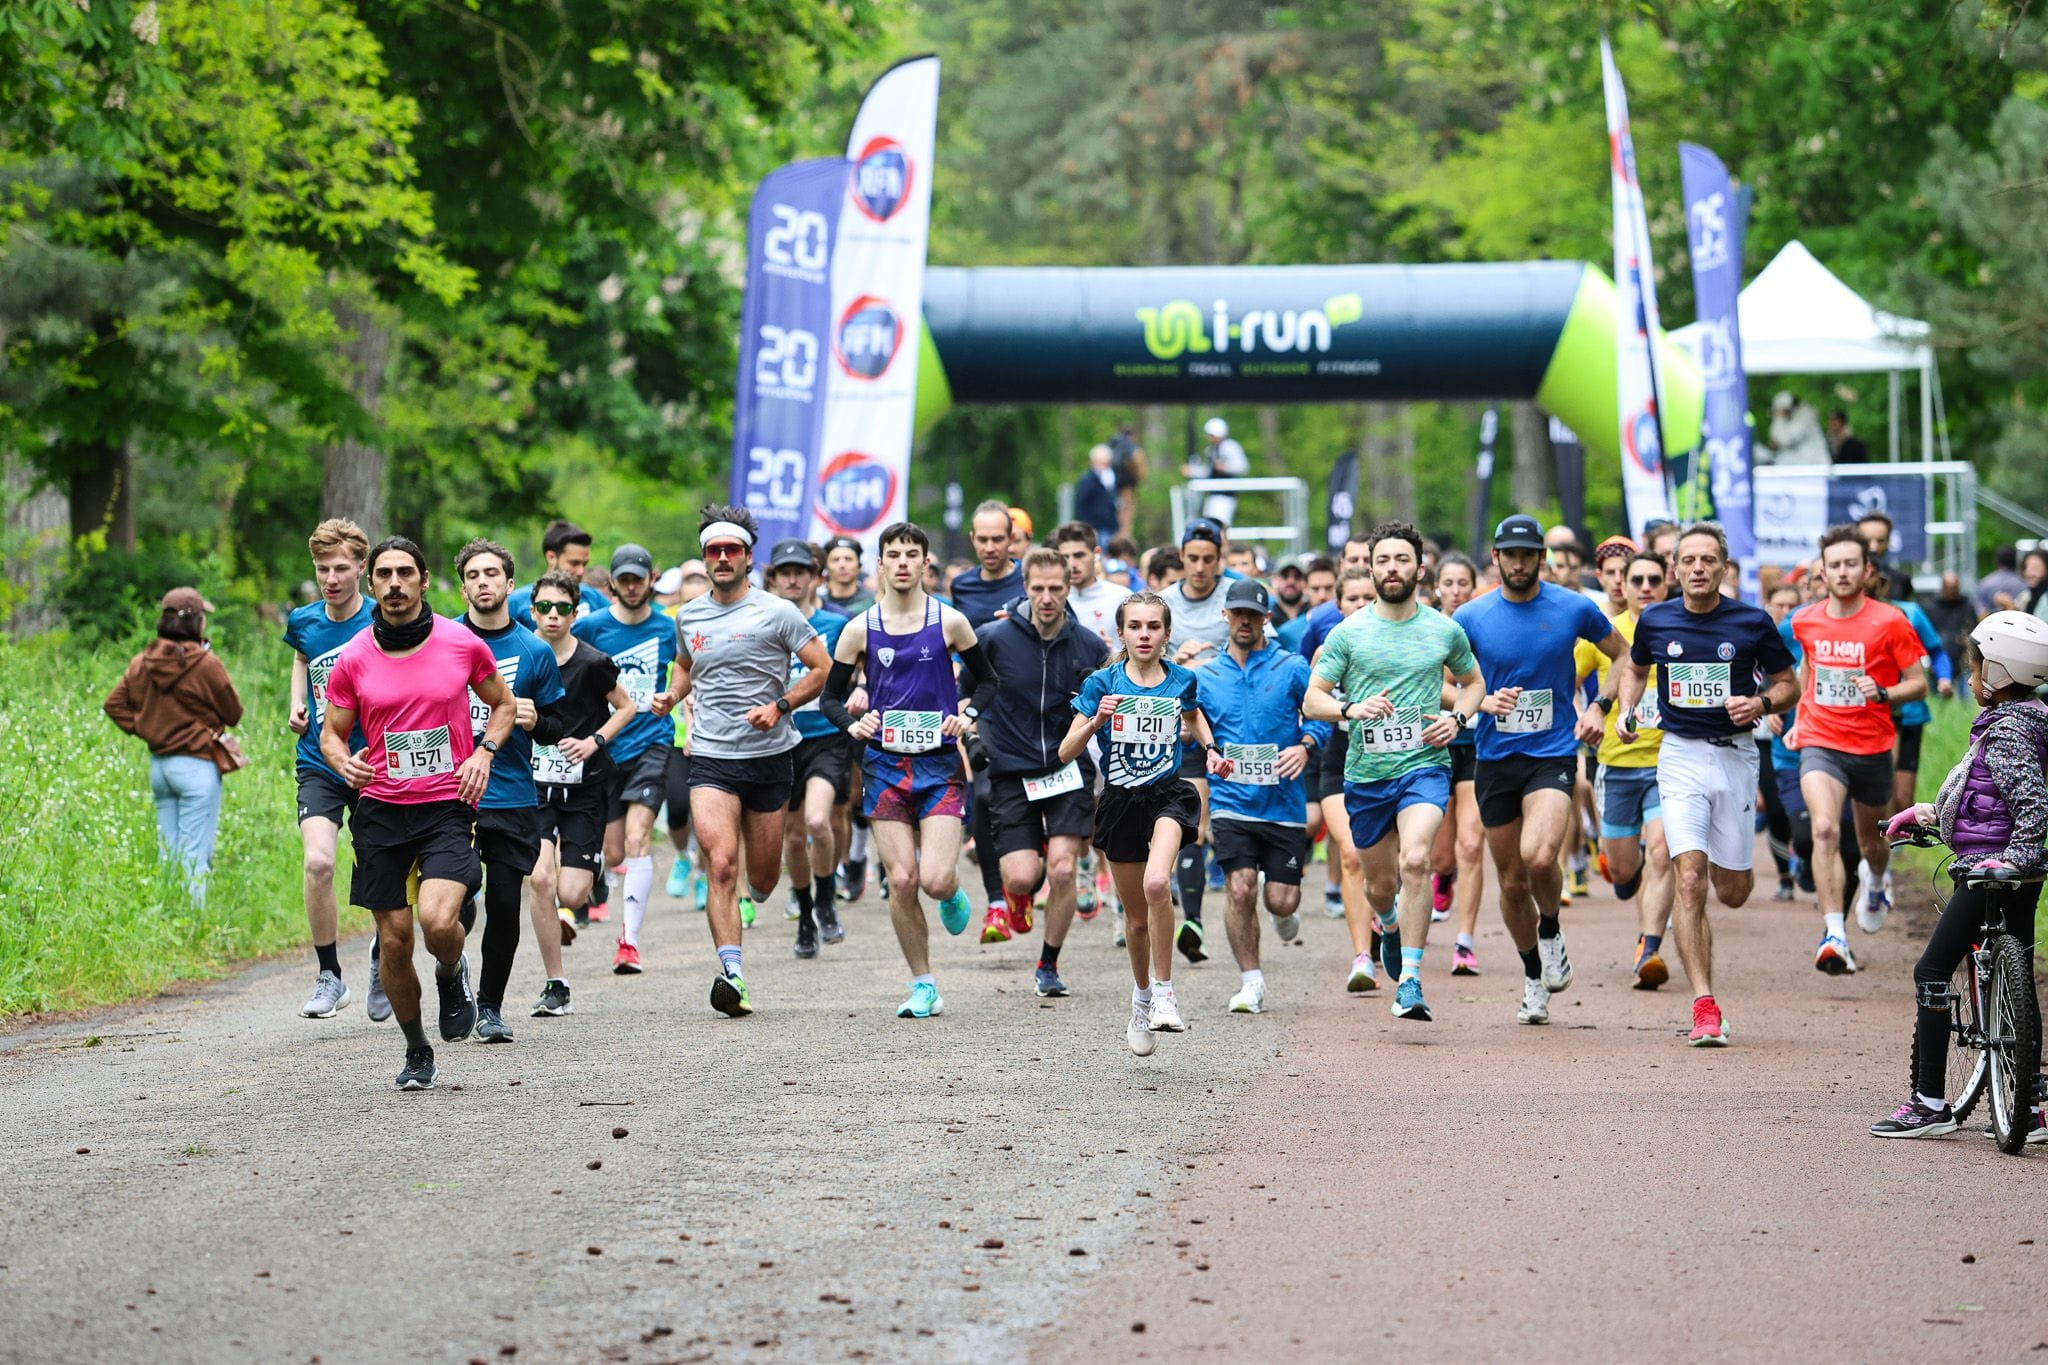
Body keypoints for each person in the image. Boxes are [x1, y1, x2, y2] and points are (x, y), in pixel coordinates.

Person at [321, 536, 515, 1091]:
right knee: (396, 940)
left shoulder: (461, 644)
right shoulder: (355, 656)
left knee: (436, 922)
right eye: (384, 574)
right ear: (372, 582)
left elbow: (502, 704)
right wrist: (343, 764)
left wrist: (484, 750)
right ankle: (416, 1050)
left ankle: (452, 974)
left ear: (425, 581)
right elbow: (331, 735)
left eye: (406, 573)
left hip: (446, 806)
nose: (395, 584)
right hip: (381, 810)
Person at [1610, 527, 1797, 1046]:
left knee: (1731, 892)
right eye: (1688, 560)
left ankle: (1729, 864)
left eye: (1707, 560)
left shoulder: (1751, 622)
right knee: (1688, 878)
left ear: (1722, 568)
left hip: (1735, 757)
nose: (1697, 568)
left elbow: (1789, 684)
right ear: (1675, 569)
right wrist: (1627, 709)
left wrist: (1760, 704)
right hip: (1680, 757)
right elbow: (1635, 669)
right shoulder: (1656, 619)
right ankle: (1705, 1006)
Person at [1870, 611, 2048, 1140]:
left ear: (1995, 673)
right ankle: (2032, 1107)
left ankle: (1928, 1102)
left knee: (1931, 970)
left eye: (1974, 670)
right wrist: (1928, 813)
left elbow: (2031, 804)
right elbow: (1987, 796)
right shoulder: (2032, 720)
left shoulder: (2007, 732)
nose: (1970, 680)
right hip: (2020, 872)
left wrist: (2013, 854)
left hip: (1991, 873)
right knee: (2019, 982)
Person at [1306, 524, 1482, 1022]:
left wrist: (1456, 718)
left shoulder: (1444, 630)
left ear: (1419, 569)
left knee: (1418, 859)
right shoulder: (1348, 633)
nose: (1391, 569)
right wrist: (1350, 710)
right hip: (1366, 775)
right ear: (1370, 567)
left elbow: (1473, 684)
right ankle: (1387, 923)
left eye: (1401, 560)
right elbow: (1312, 699)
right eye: (1383, 560)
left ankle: (1409, 979)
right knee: (1379, 885)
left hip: (1424, 766)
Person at [819, 522, 995, 1018]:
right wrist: (853, 725)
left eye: (910, 554)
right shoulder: (859, 630)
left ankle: (953, 892)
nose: (901, 562)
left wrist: (969, 713)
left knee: (935, 880)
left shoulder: (950, 622)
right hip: (883, 765)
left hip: (939, 765)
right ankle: (923, 984)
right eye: (892, 554)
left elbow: (988, 682)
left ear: (924, 564)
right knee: (901, 880)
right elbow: (830, 697)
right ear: (879, 564)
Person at [1455, 514, 1624, 1026]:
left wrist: (1599, 706)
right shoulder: (1469, 617)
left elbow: (1623, 656)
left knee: (1540, 855)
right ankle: (1533, 976)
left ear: (1541, 559)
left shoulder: (1574, 608)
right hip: (1494, 760)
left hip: (1551, 753)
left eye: (1530, 554)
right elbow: (1445, 683)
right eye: (1513, 554)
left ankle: (1550, 927)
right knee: (1509, 882)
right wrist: (1480, 703)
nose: (1521, 562)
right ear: (1497, 558)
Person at [663, 509, 831, 1015]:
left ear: (747, 558)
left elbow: (821, 668)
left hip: (770, 756)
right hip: (713, 754)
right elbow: (685, 665)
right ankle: (733, 974)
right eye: (712, 551)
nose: (720, 558)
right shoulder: (689, 615)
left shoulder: (778, 612)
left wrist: (781, 706)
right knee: (719, 864)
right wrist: (671, 696)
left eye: (729, 550)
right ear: (704, 558)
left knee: (761, 880)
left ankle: (760, 896)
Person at [1060, 593, 1229, 1053]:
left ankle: (1166, 995)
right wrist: (1095, 720)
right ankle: (1141, 999)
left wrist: (1212, 751)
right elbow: (1065, 751)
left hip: (1169, 795)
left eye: (1153, 626)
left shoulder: (1182, 679)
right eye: (1135, 626)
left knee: (1158, 884)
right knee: (1135, 921)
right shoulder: (1102, 682)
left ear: (1167, 634)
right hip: (1120, 801)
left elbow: (1193, 715)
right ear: (1122, 633)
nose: (1144, 634)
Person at [1789, 525, 1929, 972]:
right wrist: (1795, 720)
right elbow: (1808, 672)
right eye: (1835, 565)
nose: (1843, 572)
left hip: (1871, 745)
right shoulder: (1806, 619)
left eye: (1852, 564)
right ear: (1823, 572)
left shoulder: (1889, 620)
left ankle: (1876, 878)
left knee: (1872, 843)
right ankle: (1834, 933)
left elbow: (1919, 684)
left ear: (1867, 570)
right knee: (1825, 829)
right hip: (1820, 740)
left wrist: (1883, 693)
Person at [969, 546, 1109, 992]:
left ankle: (1048, 965)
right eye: (1038, 588)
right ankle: (1018, 894)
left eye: (1056, 588)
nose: (1047, 597)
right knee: (1022, 875)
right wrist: (974, 734)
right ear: (1025, 588)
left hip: (1069, 768)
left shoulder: (1088, 644)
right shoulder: (993, 637)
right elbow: (966, 693)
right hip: (1012, 768)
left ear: (1069, 588)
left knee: (1064, 869)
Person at [452, 539, 568, 1043]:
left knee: (504, 903)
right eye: (474, 574)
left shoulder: (534, 650)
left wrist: (537, 717)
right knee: (453, 905)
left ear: (509, 584)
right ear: (463, 586)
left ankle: (491, 1008)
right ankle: (451, 976)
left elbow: (556, 724)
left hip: (512, 795)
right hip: (449, 794)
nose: (483, 582)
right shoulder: (442, 641)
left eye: (492, 574)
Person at [1200, 578, 1331, 1014]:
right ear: (1225, 616)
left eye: (1253, 615)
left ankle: (1283, 913)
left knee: (1280, 899)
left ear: (1266, 620)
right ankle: (1251, 982)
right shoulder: (1205, 675)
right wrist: (1206, 750)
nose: (1244, 622)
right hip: (1231, 802)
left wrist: (1305, 745)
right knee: (1239, 890)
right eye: (1237, 614)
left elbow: (1321, 715)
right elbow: (1190, 726)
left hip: (1283, 804)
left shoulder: (1291, 667)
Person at [523, 570, 634, 1019]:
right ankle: (556, 983)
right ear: (532, 610)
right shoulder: (522, 655)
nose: (553, 616)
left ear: (575, 612)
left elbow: (626, 707)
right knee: (541, 879)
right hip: (533, 785)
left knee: (571, 894)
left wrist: (595, 742)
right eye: (545, 607)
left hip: (585, 785)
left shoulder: (592, 662)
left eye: (562, 608)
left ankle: (595, 868)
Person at [283, 519, 374, 1019]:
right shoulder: (305, 619)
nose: (331, 578)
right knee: (319, 863)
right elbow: (302, 658)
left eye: (341, 568)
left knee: (380, 868)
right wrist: (297, 704)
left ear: (362, 567)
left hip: (376, 762)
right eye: (322, 569)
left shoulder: (383, 619)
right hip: (320, 758)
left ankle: (387, 955)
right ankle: (330, 975)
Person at [571, 544, 678, 972]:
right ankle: (600, 889)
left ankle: (629, 942)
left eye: (640, 578)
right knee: (613, 853)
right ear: (613, 582)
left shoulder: (670, 628)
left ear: (652, 580)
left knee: (638, 838)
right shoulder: (592, 627)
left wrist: (674, 695)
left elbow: (688, 669)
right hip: (605, 745)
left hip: (652, 741)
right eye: (625, 579)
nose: (633, 586)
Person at [103, 587, 244, 908]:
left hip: (160, 767)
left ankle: (168, 918)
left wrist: (146, 728)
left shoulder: (143, 661)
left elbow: (114, 704)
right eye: (202, 616)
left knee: (169, 850)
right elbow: (233, 714)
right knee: (196, 853)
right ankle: (193, 927)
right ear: (195, 622)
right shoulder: (206, 664)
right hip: (196, 766)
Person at [1574, 550, 1676, 989]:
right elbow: (1565, 679)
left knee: (1661, 852)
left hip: (1669, 764)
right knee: (1622, 873)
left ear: (1667, 583)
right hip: (1614, 766)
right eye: (1638, 580)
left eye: (1655, 579)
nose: (1646, 587)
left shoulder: (1683, 631)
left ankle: (1649, 947)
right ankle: (1618, 867)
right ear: (1624, 587)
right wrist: (1585, 716)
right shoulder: (1606, 635)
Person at [763, 539, 851, 958]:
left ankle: (827, 899)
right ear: (774, 579)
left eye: (801, 571)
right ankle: (804, 916)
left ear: (816, 577)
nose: (793, 578)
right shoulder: (761, 624)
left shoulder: (837, 624)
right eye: (785, 572)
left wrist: (864, 690)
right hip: (779, 742)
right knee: (794, 838)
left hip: (826, 738)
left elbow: (864, 669)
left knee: (819, 821)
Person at [1161, 516, 1242, 961]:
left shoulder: (1236, 595)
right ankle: (1191, 920)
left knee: (1223, 821)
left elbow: (1255, 644)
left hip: (1232, 719)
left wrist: (1217, 656)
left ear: (1219, 559)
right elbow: (1151, 655)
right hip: (1185, 723)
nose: (1199, 567)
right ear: (1181, 556)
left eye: (1208, 560)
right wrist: (1182, 660)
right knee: (1195, 819)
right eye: (1192, 558)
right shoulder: (1167, 601)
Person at [1427, 553, 1487, 976]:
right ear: (1437, 588)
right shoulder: (1425, 630)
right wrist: (1464, 696)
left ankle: (1465, 941)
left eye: (1462, 583)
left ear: (1473, 586)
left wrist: (1485, 698)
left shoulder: (1484, 627)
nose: (1455, 591)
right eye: (1448, 583)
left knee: (1471, 843)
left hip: (1476, 744)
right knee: (1442, 855)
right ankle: (1442, 879)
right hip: (1432, 744)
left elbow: (1488, 680)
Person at [508, 520, 609, 627]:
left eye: (584, 564)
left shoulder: (592, 596)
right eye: (574, 563)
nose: (581, 571)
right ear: (551, 557)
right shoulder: (517, 602)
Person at [1183, 417, 1250, 525]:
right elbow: (1208, 471)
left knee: (1219, 524)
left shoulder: (1230, 447)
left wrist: (1225, 467)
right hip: (1213, 493)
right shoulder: (1211, 450)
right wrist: (1193, 471)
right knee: (1209, 524)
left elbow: (1242, 467)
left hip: (1225, 494)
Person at [1856, 510, 1917, 607]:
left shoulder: (1901, 582)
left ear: (1888, 542)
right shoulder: (1844, 578)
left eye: (1880, 541)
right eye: (1867, 540)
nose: (1873, 547)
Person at [1926, 570, 1975, 690]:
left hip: (1962, 660)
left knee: (1964, 701)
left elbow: (1974, 627)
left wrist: (1966, 639)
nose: (1953, 592)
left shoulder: (1966, 604)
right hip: (1936, 659)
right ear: (1943, 587)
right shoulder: (1931, 606)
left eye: (1955, 588)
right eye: (1950, 589)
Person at [1763, 391, 1829, 466]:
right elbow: (1774, 440)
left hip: (1815, 465)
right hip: (1805, 465)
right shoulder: (1792, 418)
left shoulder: (1805, 415)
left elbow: (1784, 440)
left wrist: (1779, 418)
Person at [1074, 444, 1122, 547]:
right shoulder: (1087, 481)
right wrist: (1087, 527)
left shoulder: (1112, 478)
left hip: (1110, 526)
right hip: (1094, 527)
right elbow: (1081, 504)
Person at [1108, 422, 1146, 540]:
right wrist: (1139, 477)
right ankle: (1123, 543)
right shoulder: (1131, 447)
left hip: (1109, 488)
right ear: (1132, 435)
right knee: (1126, 520)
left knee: (1113, 516)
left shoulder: (1111, 445)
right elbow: (1138, 461)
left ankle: (1113, 542)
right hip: (1127, 487)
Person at [822, 536, 876, 616]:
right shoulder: (818, 604)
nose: (842, 565)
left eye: (848, 559)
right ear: (827, 566)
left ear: (859, 566)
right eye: (836, 559)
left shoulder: (873, 603)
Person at [1974, 544, 2026, 616]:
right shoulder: (2023, 583)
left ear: (1997, 561)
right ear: (2016, 561)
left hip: (1990, 624)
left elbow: (1979, 612)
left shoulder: (1984, 583)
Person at [1269, 555, 1310, 625]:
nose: (1291, 582)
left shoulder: (1312, 614)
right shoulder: (1267, 616)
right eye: (1285, 576)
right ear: (1274, 580)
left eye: (1297, 577)